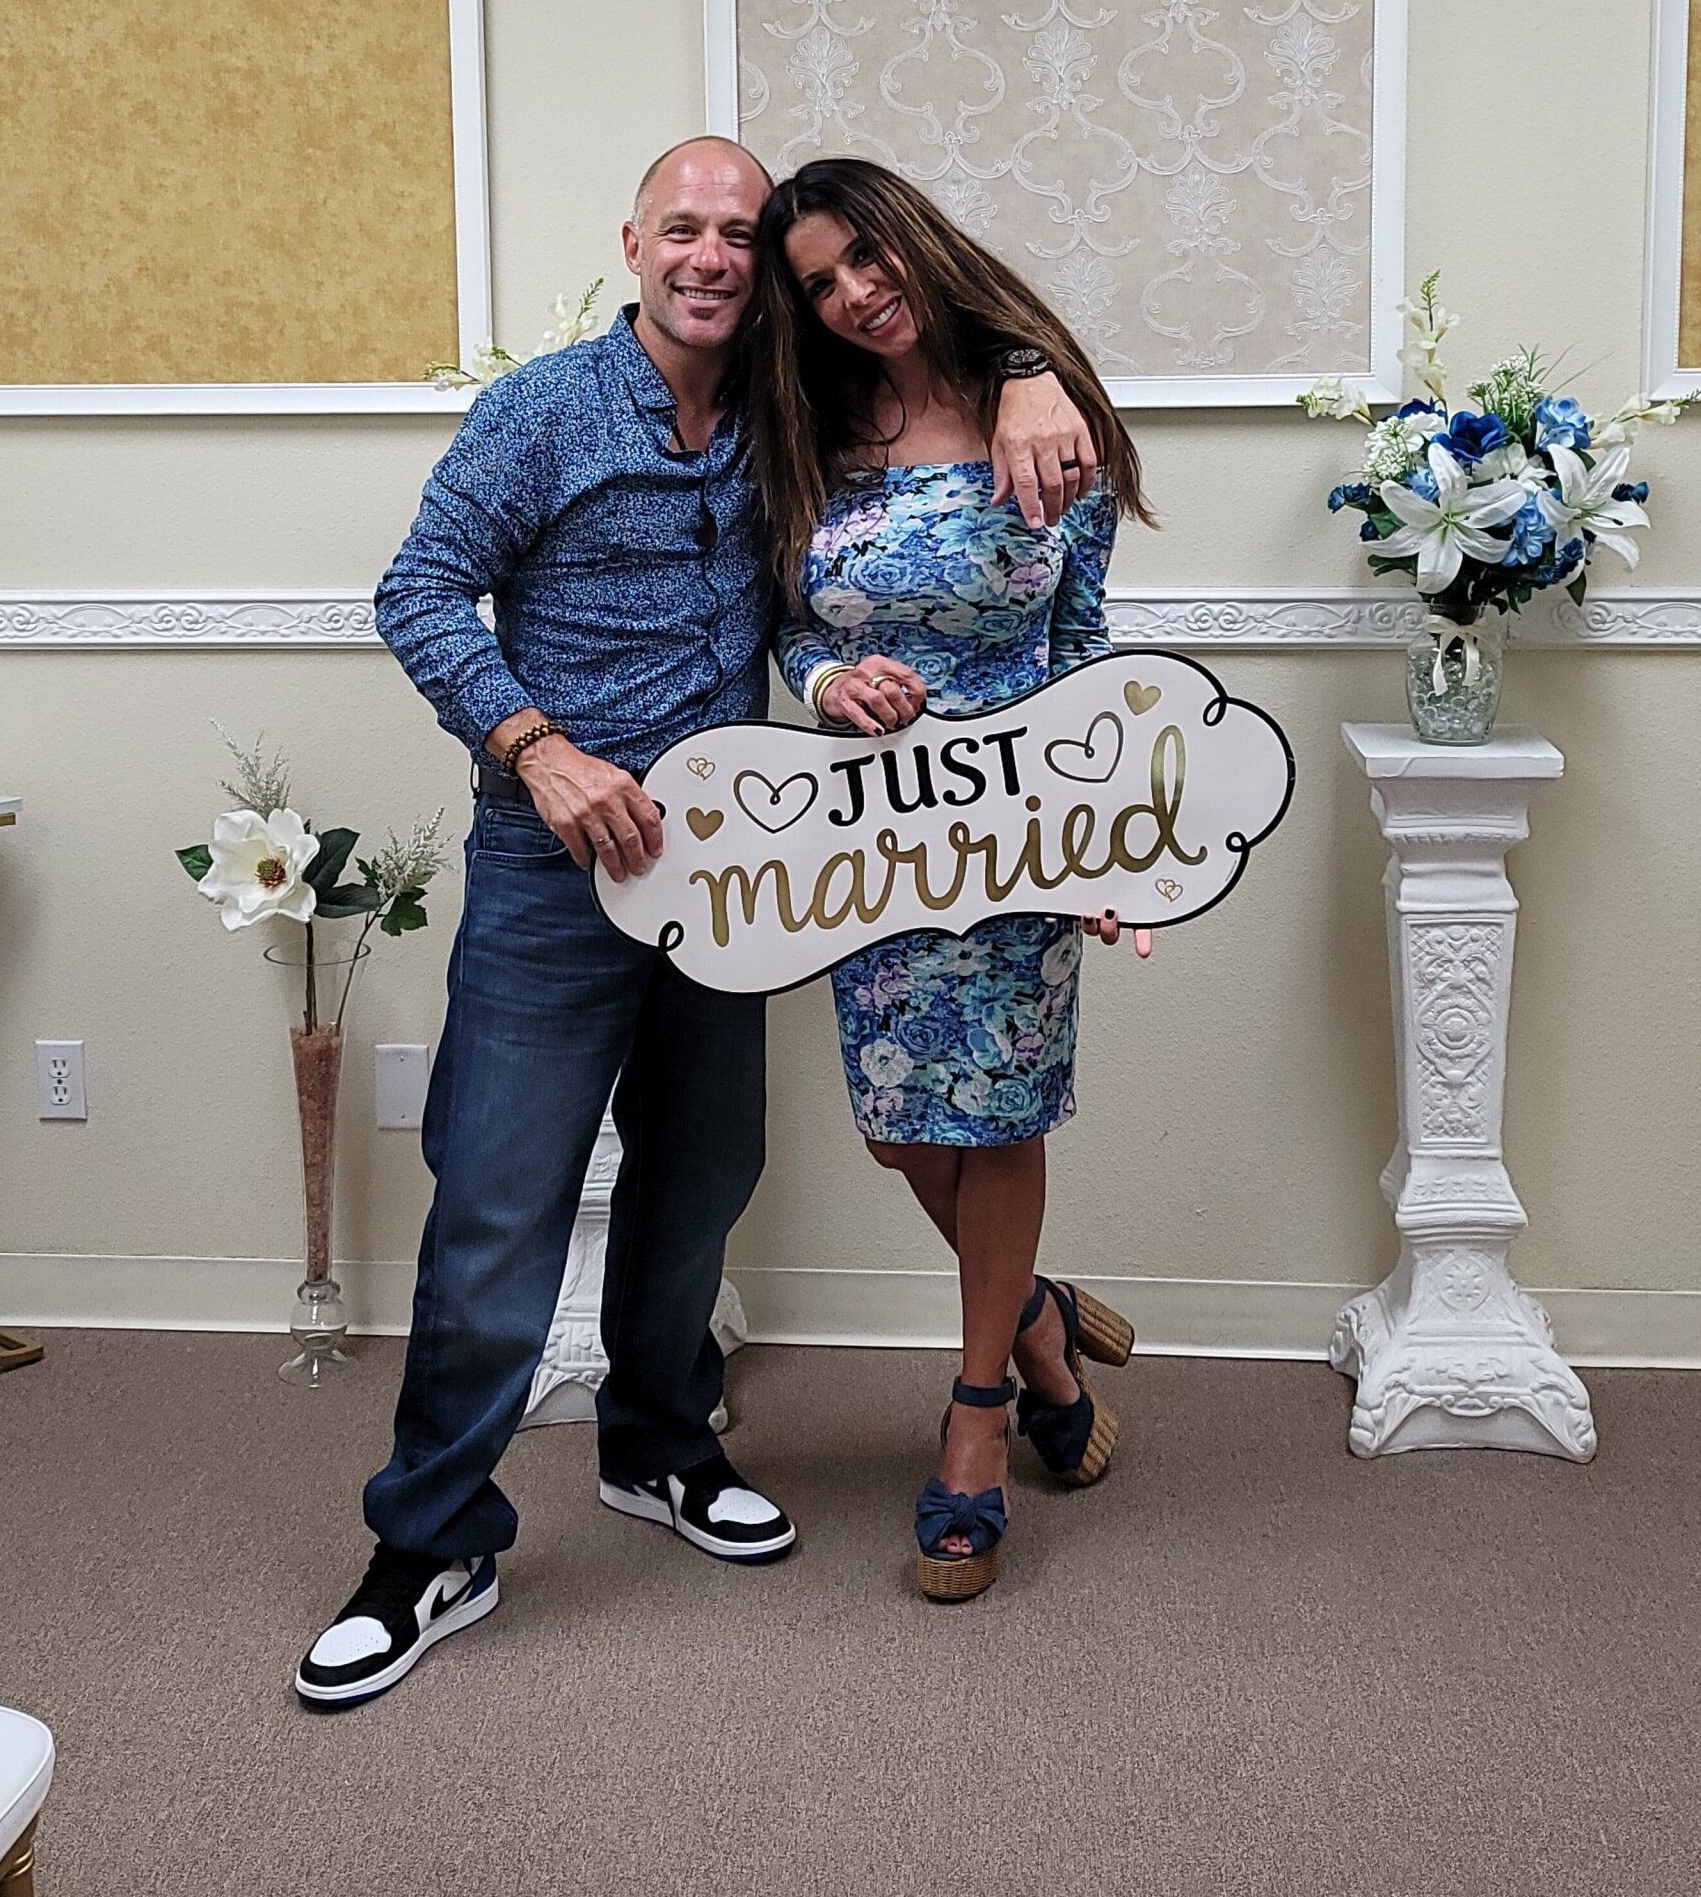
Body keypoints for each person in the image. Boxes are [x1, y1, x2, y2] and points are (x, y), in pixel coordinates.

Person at [296, 136, 1102, 1706]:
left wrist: (1025, 370)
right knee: (498, 1204)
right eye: (689, 228)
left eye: (743, 235)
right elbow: (416, 591)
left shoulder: (792, 416)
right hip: (555, 870)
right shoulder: (543, 410)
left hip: (727, 868)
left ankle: (659, 1445)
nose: (718, 256)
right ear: (635, 244)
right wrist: (538, 748)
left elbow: (906, 385)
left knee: (701, 1178)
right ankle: (428, 1543)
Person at [747, 156, 1154, 1604]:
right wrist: (826, 676)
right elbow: (785, 630)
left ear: (913, 240)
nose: (857, 295)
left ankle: (979, 1416)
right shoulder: (806, 429)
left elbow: (1086, 646)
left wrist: (1100, 840)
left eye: (868, 258)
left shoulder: (1043, 417)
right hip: (876, 834)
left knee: (999, 1113)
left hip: (1021, 824)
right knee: (901, 1126)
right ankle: (1041, 1324)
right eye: (822, 283)